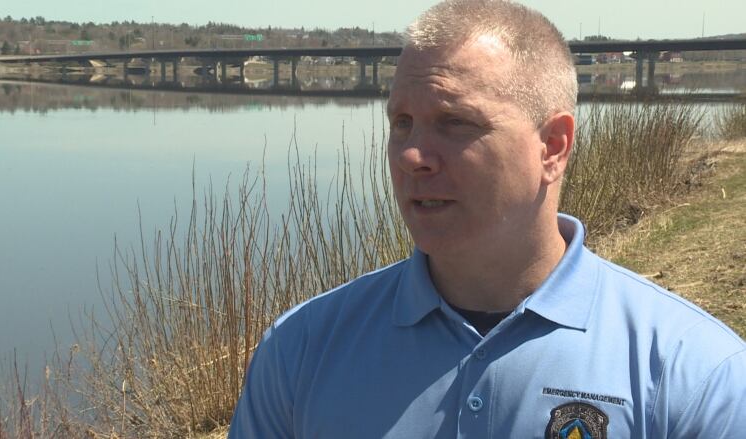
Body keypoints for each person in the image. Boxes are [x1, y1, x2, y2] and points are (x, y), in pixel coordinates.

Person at [228, 1, 746, 437]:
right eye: (401, 123)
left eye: (454, 122)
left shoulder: (695, 373)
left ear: (553, 147)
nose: (412, 156)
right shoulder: (301, 350)